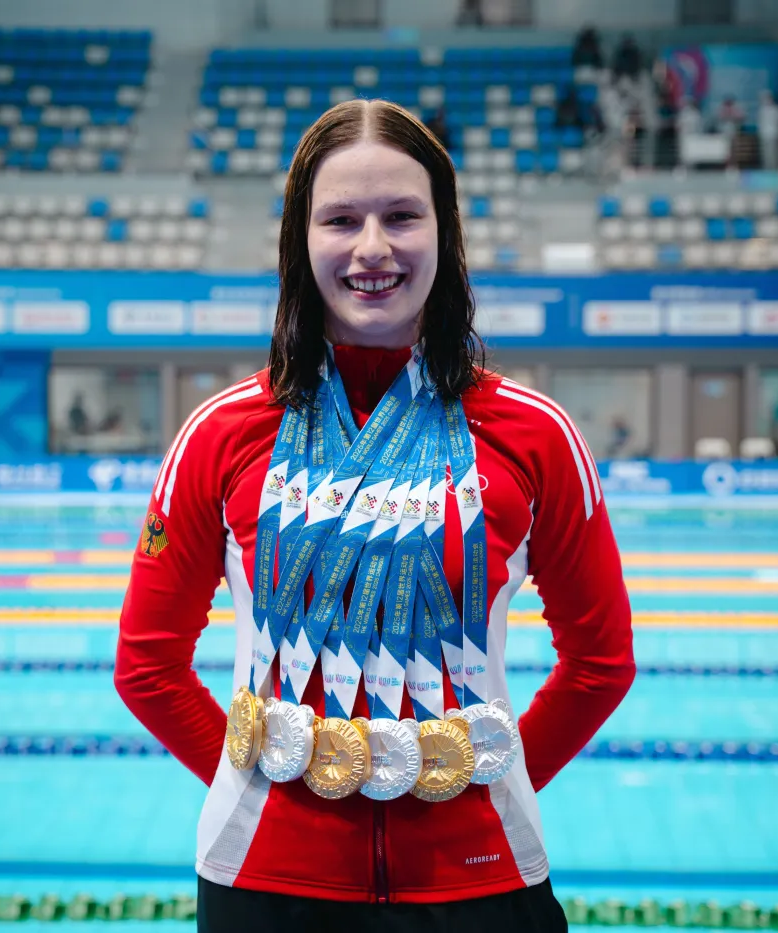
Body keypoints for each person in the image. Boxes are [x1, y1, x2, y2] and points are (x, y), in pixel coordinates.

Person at [114, 99, 635, 931]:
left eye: (401, 216)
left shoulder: (537, 436)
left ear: (445, 234)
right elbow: (146, 668)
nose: (372, 249)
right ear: (300, 240)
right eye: (341, 220)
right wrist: (260, 774)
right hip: (263, 884)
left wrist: (483, 772)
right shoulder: (220, 435)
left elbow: (601, 661)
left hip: (482, 883)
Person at [756, 89, 778, 170]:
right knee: (764, 152)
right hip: (763, 133)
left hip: (773, 133)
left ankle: (773, 166)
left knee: (772, 151)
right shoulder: (761, 110)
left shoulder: (775, 109)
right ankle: (765, 166)